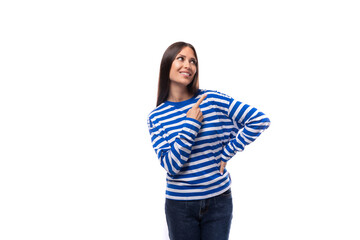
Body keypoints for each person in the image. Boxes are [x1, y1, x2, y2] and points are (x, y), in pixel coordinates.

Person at [147, 41, 271, 240]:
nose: (188, 65)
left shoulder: (211, 100)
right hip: (180, 207)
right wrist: (190, 125)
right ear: (167, 64)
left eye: (193, 61)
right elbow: (172, 166)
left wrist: (227, 152)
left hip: (218, 202)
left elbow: (259, 120)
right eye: (181, 58)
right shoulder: (156, 117)